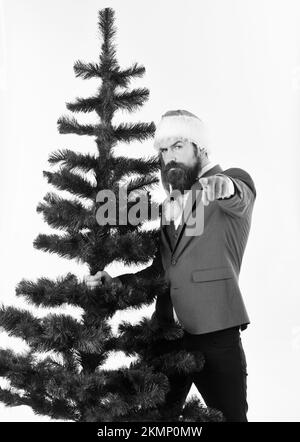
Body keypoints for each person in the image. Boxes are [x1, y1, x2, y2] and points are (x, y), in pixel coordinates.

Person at [85, 110, 256, 422]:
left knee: (230, 418)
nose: (169, 157)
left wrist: (224, 186)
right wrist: (116, 283)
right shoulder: (172, 205)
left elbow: (238, 195)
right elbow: (161, 271)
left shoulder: (232, 181)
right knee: (153, 421)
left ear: (200, 148)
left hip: (215, 333)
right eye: (163, 151)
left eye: (177, 146)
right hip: (166, 335)